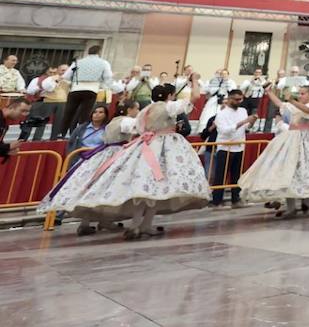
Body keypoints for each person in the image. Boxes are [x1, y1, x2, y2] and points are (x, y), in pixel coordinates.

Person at [53, 75, 211, 240]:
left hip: (143, 148)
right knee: (155, 187)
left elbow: (139, 129)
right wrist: (195, 81)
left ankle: (136, 225)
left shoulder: (145, 111)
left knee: (144, 188)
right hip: (163, 148)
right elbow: (195, 97)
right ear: (170, 96)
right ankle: (141, 225)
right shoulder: (168, 107)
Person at [238, 83, 309, 218]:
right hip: (291, 139)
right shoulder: (295, 105)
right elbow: (281, 104)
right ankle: (291, 207)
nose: (301, 95)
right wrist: (269, 91)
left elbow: (307, 112)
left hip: (307, 140)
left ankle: (308, 199)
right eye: (300, 93)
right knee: (288, 173)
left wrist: (292, 100)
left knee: (308, 171)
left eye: (303, 93)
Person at [39, 99, 139, 236]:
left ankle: (88, 222)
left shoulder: (112, 123)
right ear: (129, 110)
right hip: (106, 159)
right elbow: (140, 127)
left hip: (96, 160)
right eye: (136, 109)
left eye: (100, 112)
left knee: (91, 189)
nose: (138, 112)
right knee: (102, 189)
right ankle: (99, 221)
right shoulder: (125, 121)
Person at [60, 46, 117, 137]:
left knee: (69, 112)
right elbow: (108, 77)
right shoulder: (103, 63)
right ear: (99, 52)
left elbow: (66, 76)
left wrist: (75, 79)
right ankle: (81, 134)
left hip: (75, 89)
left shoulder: (78, 62)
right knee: (85, 114)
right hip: (91, 89)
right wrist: (116, 87)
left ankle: (61, 133)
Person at [208, 89, 250, 209]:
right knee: (220, 175)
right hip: (225, 147)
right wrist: (241, 123)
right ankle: (217, 201)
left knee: (236, 175)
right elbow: (223, 131)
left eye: (240, 99)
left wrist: (250, 122)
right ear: (230, 99)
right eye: (236, 99)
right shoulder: (222, 114)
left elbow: (246, 127)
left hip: (239, 145)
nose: (238, 102)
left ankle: (235, 199)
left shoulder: (243, 111)